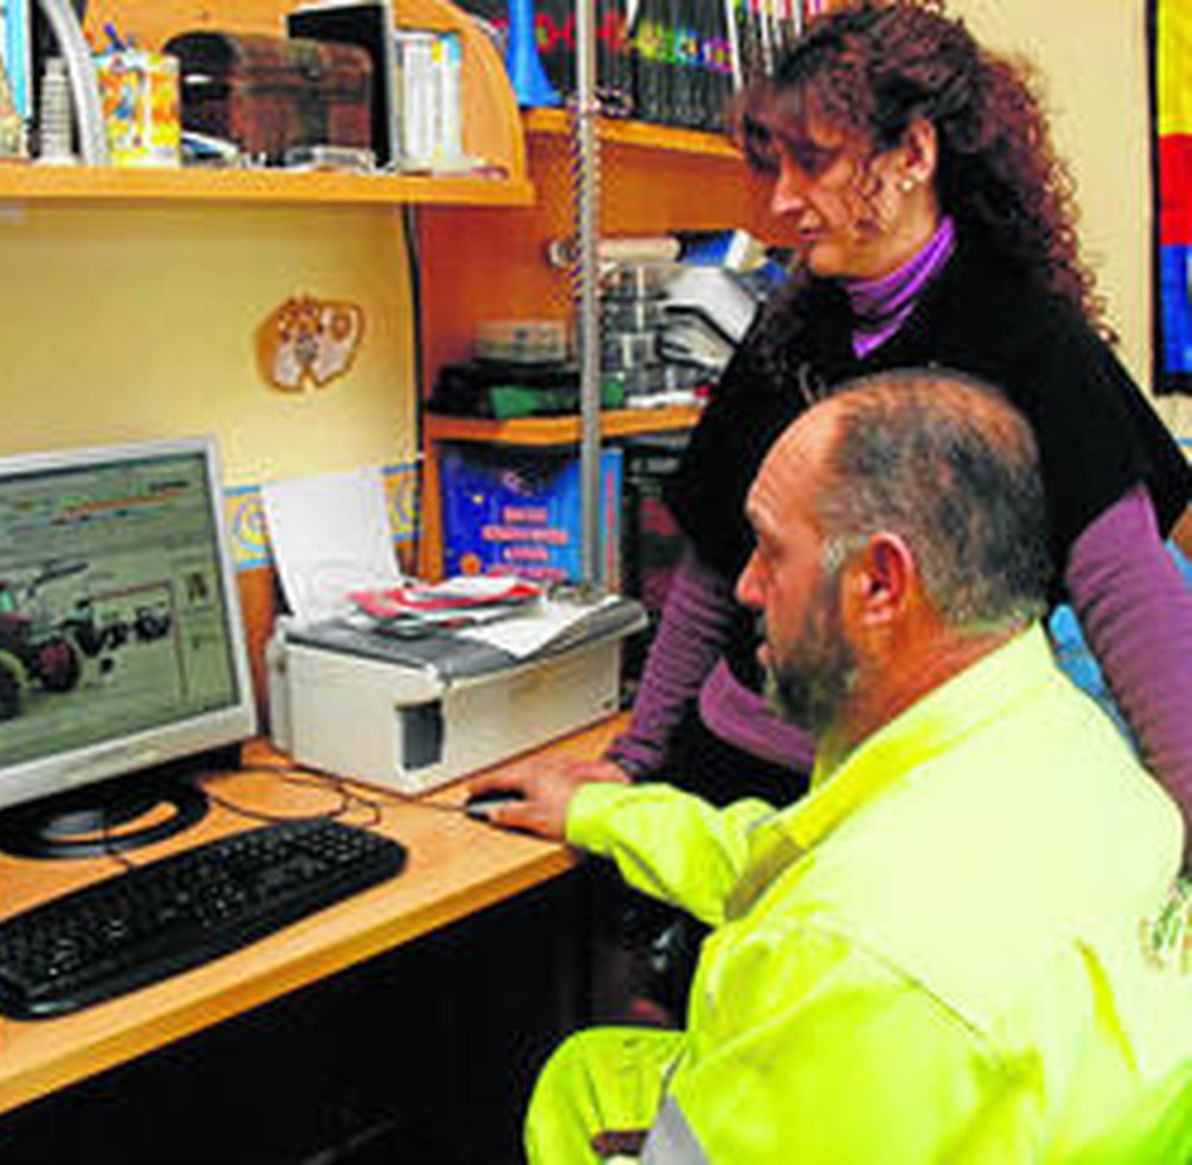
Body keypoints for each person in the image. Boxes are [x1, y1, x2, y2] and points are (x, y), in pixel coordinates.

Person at [534, 0, 1192, 859]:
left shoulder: (1032, 344)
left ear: (914, 153)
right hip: (734, 769)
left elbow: (1133, 600)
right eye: (774, 166)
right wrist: (634, 762)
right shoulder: (787, 328)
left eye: (813, 164)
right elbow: (709, 569)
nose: (781, 201)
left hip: (913, 805)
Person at [477, 371, 1191, 1162]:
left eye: (771, 551)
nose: (745, 586)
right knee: (587, 1072)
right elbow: (795, 862)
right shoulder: (1073, 751)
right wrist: (601, 810)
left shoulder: (851, 957)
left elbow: (839, 925)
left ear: (881, 582)